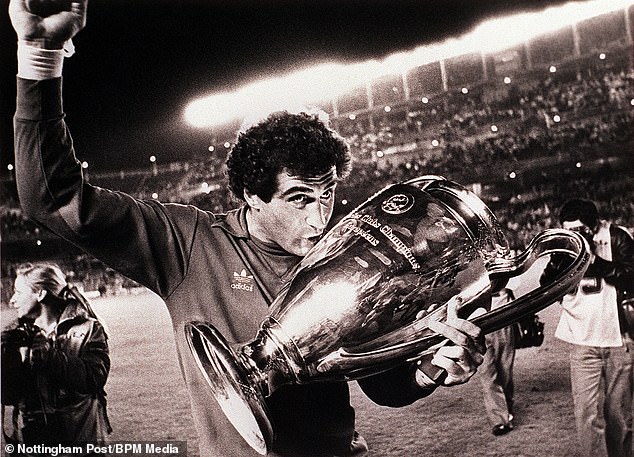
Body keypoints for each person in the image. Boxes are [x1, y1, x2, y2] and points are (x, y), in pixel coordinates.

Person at [9, 1, 486, 456]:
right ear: (251, 196)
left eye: (329, 194)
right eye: (299, 199)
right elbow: (53, 198)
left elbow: (382, 385)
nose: (320, 219)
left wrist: (429, 370)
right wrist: (40, 58)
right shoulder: (188, 244)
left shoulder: (350, 254)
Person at [541, 198, 634, 457]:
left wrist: (595, 262)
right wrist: (560, 263)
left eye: (580, 231)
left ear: (594, 226)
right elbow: (546, 287)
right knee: (587, 414)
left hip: (618, 338)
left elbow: (631, 273)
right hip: (582, 340)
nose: (574, 237)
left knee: (620, 415)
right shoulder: (565, 248)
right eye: (568, 232)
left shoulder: (616, 237)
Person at [1, 263, 111, 449]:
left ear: (41, 294)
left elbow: (94, 378)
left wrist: (49, 355)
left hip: (81, 443)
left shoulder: (87, 328)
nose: (13, 300)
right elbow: (9, 396)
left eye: (19, 292)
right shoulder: (17, 334)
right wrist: (7, 358)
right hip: (34, 445)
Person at [478, 287, 516, 436]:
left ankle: (507, 408)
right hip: (477, 321)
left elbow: (513, 283)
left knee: (504, 368)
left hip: (502, 314)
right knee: (486, 372)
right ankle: (499, 419)